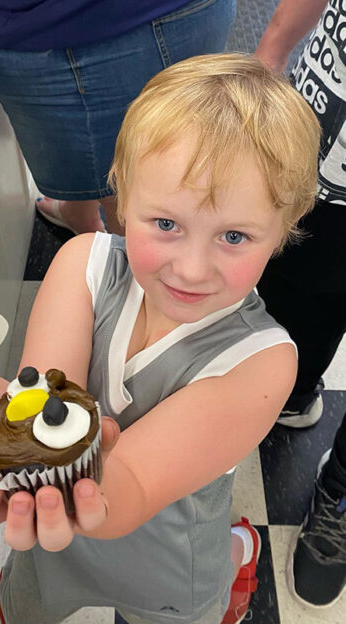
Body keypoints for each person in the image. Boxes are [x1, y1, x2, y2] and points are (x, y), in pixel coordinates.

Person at [0, 54, 320, 624]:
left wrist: (80, 486)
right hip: (53, 541)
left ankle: (234, 552)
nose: (193, 268)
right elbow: (41, 406)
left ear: (283, 230)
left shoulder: (263, 363)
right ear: (123, 197)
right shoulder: (85, 264)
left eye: (234, 235)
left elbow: (134, 482)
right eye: (166, 224)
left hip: (168, 563)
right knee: (25, 607)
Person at [0, 0, 237, 236]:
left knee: (134, 189)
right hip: (127, 22)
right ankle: (81, 216)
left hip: (113, 27)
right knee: (126, 173)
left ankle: (135, 292)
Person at [254, 0, 346, 609]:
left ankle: (340, 489)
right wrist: (274, 48)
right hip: (325, 140)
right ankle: (292, 387)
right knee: (296, 282)